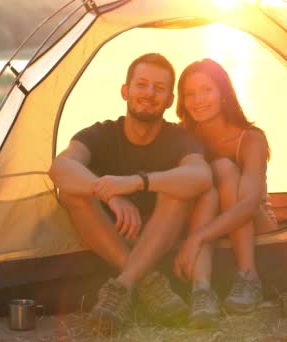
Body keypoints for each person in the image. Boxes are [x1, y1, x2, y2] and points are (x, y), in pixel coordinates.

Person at [48, 53, 212, 330]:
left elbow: (201, 177)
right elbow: (59, 167)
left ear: (170, 100)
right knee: (72, 192)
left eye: (159, 88)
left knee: (177, 189)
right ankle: (147, 281)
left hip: (160, 236)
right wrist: (110, 194)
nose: (149, 93)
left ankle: (122, 286)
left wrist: (139, 182)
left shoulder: (180, 139)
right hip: (112, 234)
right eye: (142, 84)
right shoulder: (101, 133)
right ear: (125, 91)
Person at [172, 58, 278, 328]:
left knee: (222, 169)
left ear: (223, 94)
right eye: (190, 94)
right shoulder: (181, 136)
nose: (198, 100)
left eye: (206, 90)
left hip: (255, 222)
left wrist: (197, 237)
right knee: (205, 185)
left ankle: (248, 276)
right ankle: (202, 291)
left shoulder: (250, 138)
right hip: (208, 217)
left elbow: (251, 204)